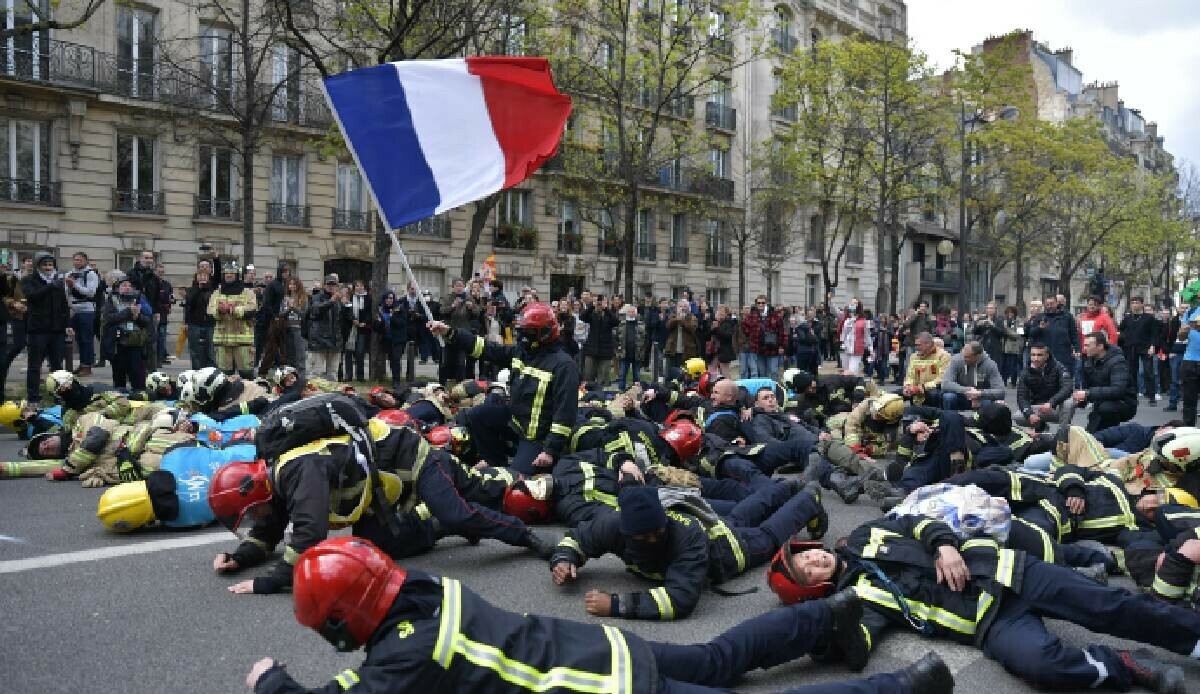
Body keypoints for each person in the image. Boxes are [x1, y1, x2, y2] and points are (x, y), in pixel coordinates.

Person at [243, 536, 955, 694]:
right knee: (721, 659)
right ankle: (826, 616)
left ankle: (903, 687)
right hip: (601, 645)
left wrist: (269, 681)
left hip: (609, 689)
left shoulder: (404, 660)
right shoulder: (424, 591)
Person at [770, 515, 1199, 694]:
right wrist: (826, 634)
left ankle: (1192, 638)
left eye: (806, 553)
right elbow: (858, 647)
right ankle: (1127, 664)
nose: (813, 558)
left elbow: (920, 522)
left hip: (1003, 570)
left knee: (1107, 606)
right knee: (1041, 666)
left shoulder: (863, 535)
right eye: (806, 569)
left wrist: (943, 548)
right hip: (988, 622)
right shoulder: (857, 602)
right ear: (815, 588)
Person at [550, 485, 827, 621]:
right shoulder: (611, 524)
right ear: (624, 531)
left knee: (769, 534)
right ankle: (785, 486)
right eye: (643, 536)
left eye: (657, 532)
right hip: (716, 526)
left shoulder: (685, 534)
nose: (652, 539)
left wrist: (615, 604)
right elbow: (578, 538)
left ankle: (809, 497)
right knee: (743, 512)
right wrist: (565, 559)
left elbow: (679, 598)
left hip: (730, 551)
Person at [429, 302, 579, 476]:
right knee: (477, 415)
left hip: (538, 437)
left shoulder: (564, 366)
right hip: (516, 423)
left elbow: (565, 415)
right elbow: (484, 348)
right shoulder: (522, 352)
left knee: (516, 480)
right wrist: (449, 332)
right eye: (521, 330)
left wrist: (550, 451)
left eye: (528, 332)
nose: (522, 336)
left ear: (544, 334)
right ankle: (495, 462)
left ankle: (510, 471)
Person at [20, 252, 70, 404]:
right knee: (35, 365)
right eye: (45, 265)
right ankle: (33, 397)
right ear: (38, 266)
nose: (48, 268)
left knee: (57, 366)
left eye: (50, 265)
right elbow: (32, 296)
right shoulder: (29, 280)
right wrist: (49, 287)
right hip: (38, 329)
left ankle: (58, 396)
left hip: (57, 330)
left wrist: (67, 325)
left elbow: (64, 305)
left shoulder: (58, 281)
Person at [1074, 331, 1138, 432]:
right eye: (1084, 345)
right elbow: (1088, 387)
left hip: (1125, 403)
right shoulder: (1089, 361)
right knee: (1092, 432)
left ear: (1100, 346)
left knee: (1105, 409)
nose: (1084, 348)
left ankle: (1112, 435)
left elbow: (1118, 390)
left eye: (1087, 345)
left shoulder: (1117, 362)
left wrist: (1088, 393)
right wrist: (1082, 399)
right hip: (1102, 402)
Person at [207, 263, 257, 379]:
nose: (228, 275)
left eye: (232, 273)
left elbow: (252, 310)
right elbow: (210, 311)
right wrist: (219, 310)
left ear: (237, 275)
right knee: (224, 375)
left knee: (246, 374)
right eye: (226, 274)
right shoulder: (217, 293)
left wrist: (233, 309)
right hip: (223, 342)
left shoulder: (247, 292)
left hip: (243, 341)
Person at [102, 278, 152, 390]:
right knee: (119, 375)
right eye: (124, 285)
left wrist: (137, 316)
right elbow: (109, 318)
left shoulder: (139, 299)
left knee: (137, 374)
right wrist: (128, 311)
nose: (127, 287)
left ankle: (138, 395)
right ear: (118, 288)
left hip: (136, 343)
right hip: (118, 342)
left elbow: (147, 320)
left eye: (129, 285)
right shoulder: (111, 300)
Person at [1015, 342, 1074, 431]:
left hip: (1055, 407)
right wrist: (1029, 414)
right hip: (1039, 408)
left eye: (1039, 355)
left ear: (1047, 356)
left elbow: (1068, 387)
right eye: (1033, 355)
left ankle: (1063, 434)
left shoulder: (1058, 367)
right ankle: (1040, 427)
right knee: (1018, 416)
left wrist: (1051, 402)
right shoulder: (1025, 372)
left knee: (1069, 402)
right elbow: (1021, 397)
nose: (1035, 358)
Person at [1117, 296, 1160, 404]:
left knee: (1148, 372)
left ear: (1142, 304)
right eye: (1133, 303)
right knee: (1131, 373)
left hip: (1145, 347)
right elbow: (1120, 331)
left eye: (1137, 303)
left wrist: (1153, 346)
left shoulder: (1149, 318)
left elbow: (1154, 334)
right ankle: (1133, 396)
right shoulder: (1127, 318)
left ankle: (1152, 396)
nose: (1134, 305)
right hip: (1130, 347)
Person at [940, 341, 1005, 411]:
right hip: (961, 395)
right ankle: (950, 420)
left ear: (978, 356)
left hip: (981, 397)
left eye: (967, 357)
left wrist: (980, 394)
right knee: (948, 397)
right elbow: (945, 384)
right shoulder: (956, 360)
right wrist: (967, 390)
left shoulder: (990, 365)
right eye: (963, 355)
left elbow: (1000, 391)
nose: (964, 358)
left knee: (987, 402)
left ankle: (983, 421)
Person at [1026, 295, 1078, 376]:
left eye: (1052, 303)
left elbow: (1074, 335)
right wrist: (1039, 328)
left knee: (1064, 379)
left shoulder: (1067, 317)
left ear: (1057, 303)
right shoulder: (1040, 317)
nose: (1049, 306)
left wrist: (1077, 349)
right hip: (1045, 356)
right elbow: (1031, 334)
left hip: (1063, 354)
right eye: (1047, 304)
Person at [66, 252, 100, 376]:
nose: (77, 262)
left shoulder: (91, 274)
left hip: (87, 310)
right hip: (73, 309)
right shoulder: (69, 274)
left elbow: (91, 292)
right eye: (75, 260)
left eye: (80, 260)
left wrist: (75, 285)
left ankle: (87, 366)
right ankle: (82, 364)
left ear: (85, 261)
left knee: (87, 339)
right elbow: (66, 293)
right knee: (78, 340)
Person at [305, 275, 342, 382]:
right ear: (324, 285)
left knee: (333, 374)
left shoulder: (339, 299)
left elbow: (343, 321)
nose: (331, 286)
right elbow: (316, 310)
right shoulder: (316, 297)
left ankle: (332, 397)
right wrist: (331, 301)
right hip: (319, 341)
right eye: (328, 284)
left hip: (335, 341)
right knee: (316, 374)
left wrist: (346, 306)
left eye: (333, 284)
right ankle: (314, 397)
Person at [0, 252, 25, 400]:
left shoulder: (6, 278)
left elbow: (5, 293)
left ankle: (1, 394)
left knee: (2, 360)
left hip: (1, 322)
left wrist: (2, 275)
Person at [902, 331, 951, 406]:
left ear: (928, 344)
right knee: (893, 396)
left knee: (933, 394)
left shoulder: (944, 356)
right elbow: (910, 376)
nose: (916, 348)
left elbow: (941, 379)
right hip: (916, 388)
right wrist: (908, 386)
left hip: (934, 388)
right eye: (915, 345)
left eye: (918, 345)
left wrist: (922, 388)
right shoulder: (914, 356)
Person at [374, 290, 409, 390]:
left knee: (396, 358)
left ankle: (396, 381)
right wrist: (379, 322)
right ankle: (394, 378)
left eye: (391, 298)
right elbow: (376, 327)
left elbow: (402, 323)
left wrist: (392, 316)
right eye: (387, 298)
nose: (389, 300)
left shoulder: (399, 308)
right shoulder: (380, 309)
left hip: (398, 339)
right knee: (391, 360)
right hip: (387, 339)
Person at [580, 293, 618, 385]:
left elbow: (616, 322)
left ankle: (601, 396)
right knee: (588, 376)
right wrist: (592, 306)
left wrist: (606, 309)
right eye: (599, 301)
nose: (600, 303)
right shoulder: (592, 314)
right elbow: (582, 317)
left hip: (605, 351)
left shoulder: (609, 314)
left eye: (603, 301)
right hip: (591, 350)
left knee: (603, 378)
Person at [745, 296, 787, 378]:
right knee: (762, 372)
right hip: (759, 348)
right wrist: (752, 338)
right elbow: (745, 327)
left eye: (763, 303)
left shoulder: (774, 315)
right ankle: (764, 390)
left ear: (766, 303)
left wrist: (782, 346)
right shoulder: (753, 315)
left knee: (773, 371)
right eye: (759, 303)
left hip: (773, 348)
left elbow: (782, 332)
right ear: (756, 304)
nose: (761, 304)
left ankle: (773, 389)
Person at [184, 269, 217, 369]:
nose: (202, 277)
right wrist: (199, 288)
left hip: (210, 324)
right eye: (200, 275)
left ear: (208, 277)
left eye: (205, 275)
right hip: (194, 324)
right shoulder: (191, 290)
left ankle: (211, 373)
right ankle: (197, 372)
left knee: (210, 351)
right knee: (195, 351)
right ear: (196, 277)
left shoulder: (213, 290)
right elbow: (189, 305)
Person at [342, 280, 372, 382]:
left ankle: (360, 376)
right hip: (351, 328)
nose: (359, 288)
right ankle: (348, 375)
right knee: (349, 352)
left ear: (364, 287)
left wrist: (364, 322)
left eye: (360, 286)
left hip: (362, 329)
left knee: (360, 352)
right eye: (357, 286)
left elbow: (369, 312)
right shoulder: (350, 297)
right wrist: (353, 320)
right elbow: (347, 311)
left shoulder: (368, 298)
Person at [614, 303, 644, 391]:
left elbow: (645, 339)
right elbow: (615, 338)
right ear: (627, 313)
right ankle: (621, 391)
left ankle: (636, 392)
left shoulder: (641, 324)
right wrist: (617, 349)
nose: (631, 313)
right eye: (629, 312)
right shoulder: (621, 324)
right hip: (624, 354)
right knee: (622, 374)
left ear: (636, 313)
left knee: (637, 376)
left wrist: (643, 351)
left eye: (633, 312)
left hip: (637, 354)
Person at [1165, 302, 1188, 411]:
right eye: (1182, 308)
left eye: (1186, 308)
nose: (1184, 310)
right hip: (1176, 352)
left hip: (1189, 353)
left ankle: (1186, 404)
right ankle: (1173, 403)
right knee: (1174, 380)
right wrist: (1169, 351)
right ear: (1178, 309)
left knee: (1187, 380)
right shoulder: (1173, 321)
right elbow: (1168, 337)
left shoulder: (1194, 321)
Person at [664, 298, 699, 370]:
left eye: (685, 306)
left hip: (687, 350)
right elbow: (668, 326)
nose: (682, 308)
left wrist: (682, 320)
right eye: (680, 306)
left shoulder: (692, 317)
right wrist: (677, 318)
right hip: (673, 349)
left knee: (685, 372)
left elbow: (692, 328)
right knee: (672, 371)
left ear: (688, 308)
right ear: (677, 308)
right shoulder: (673, 316)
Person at [152, 263, 174, 365]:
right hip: (153, 313)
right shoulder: (151, 283)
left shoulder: (167, 284)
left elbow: (170, 298)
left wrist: (170, 304)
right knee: (154, 338)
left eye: (162, 272)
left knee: (162, 338)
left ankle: (160, 360)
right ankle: (153, 359)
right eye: (158, 272)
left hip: (163, 315)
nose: (160, 274)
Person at [972, 301, 1005, 366]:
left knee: (994, 367)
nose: (989, 310)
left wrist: (993, 325)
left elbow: (1002, 333)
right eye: (988, 308)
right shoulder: (982, 318)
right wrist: (977, 324)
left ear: (995, 309)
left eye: (991, 308)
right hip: (984, 346)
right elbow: (975, 331)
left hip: (995, 348)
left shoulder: (999, 320)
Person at [838, 306, 868, 376]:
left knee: (852, 370)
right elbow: (844, 333)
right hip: (846, 348)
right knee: (846, 369)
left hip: (857, 348)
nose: (852, 314)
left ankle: (854, 383)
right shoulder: (847, 321)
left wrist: (870, 348)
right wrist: (842, 342)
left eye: (854, 312)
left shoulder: (864, 322)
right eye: (851, 312)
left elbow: (867, 336)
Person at [710, 303, 737, 377]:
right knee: (715, 370)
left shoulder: (727, 323)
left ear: (726, 314)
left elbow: (727, 336)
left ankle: (728, 386)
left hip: (725, 351)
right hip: (718, 351)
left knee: (725, 372)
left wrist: (716, 329)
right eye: (718, 311)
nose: (719, 313)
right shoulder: (718, 323)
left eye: (722, 312)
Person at [1000, 306, 1024, 387]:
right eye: (1008, 312)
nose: (1010, 314)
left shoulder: (1019, 321)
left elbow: (1019, 335)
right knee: (1004, 365)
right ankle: (1004, 381)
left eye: (1011, 312)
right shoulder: (1004, 321)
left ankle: (1013, 382)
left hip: (1013, 348)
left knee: (1013, 366)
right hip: (1003, 347)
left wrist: (1007, 330)